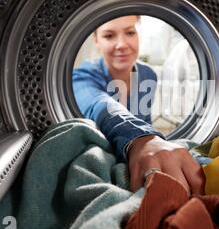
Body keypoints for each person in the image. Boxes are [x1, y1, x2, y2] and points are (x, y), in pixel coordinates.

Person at [72, 15, 205, 195]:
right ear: (96, 40)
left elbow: (145, 120)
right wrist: (143, 140)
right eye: (109, 36)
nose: (121, 44)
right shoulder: (82, 76)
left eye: (130, 32)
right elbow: (100, 106)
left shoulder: (148, 74)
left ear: (138, 33)